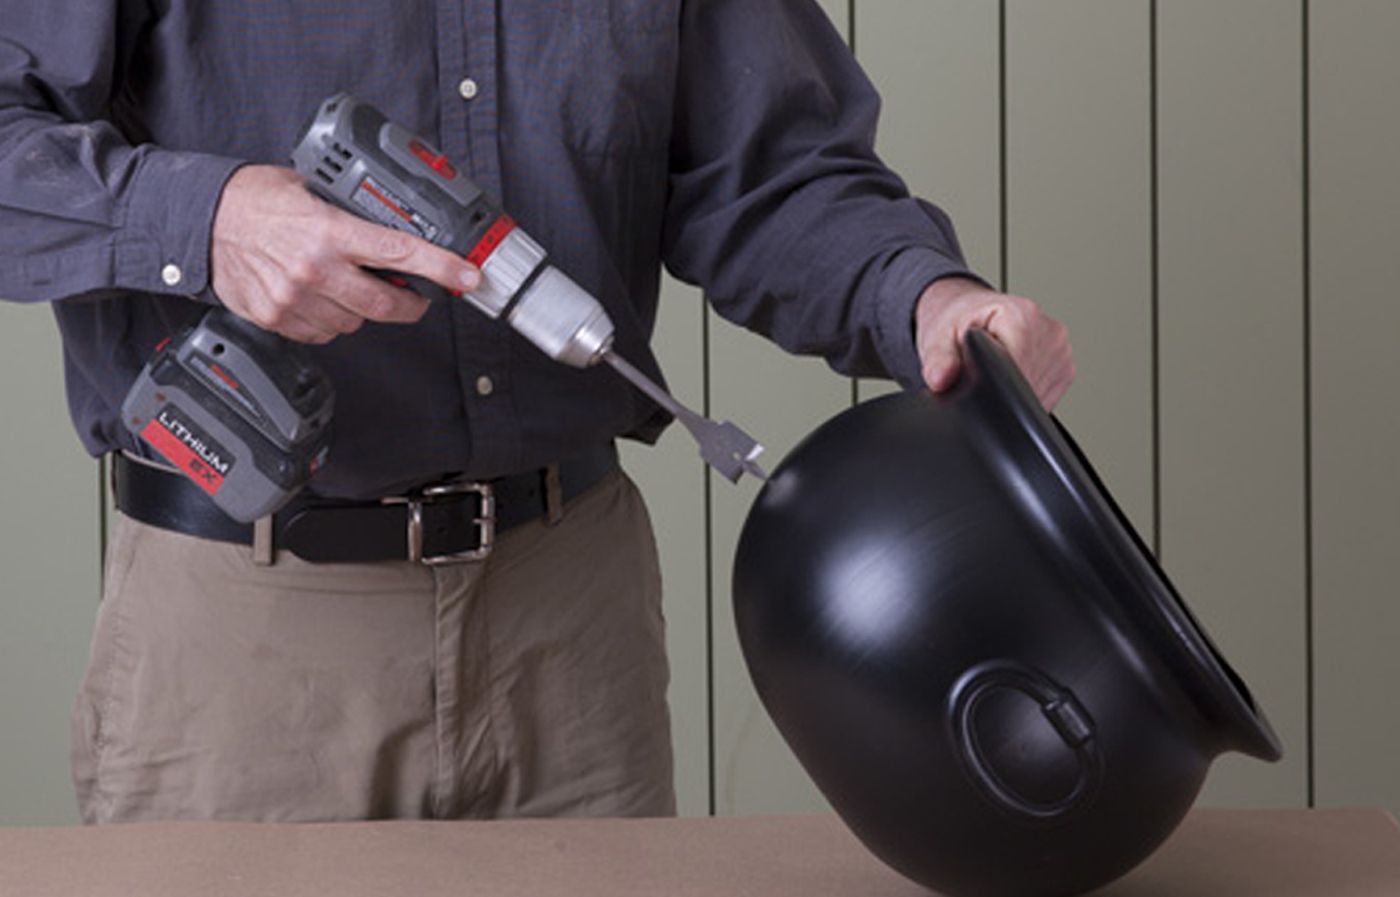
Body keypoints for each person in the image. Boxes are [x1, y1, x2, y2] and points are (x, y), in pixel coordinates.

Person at [0, 1, 1073, 823]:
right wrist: (212, 214)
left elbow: (772, 174)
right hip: (249, 643)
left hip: (571, 630)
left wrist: (927, 299)